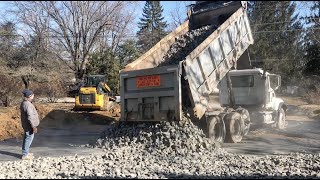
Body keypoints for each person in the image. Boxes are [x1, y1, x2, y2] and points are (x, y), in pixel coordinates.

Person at [20, 89, 40, 160]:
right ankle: (25, 154)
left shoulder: (25, 103)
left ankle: (26, 152)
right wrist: (33, 126)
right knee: (29, 138)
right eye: (32, 95)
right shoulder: (28, 104)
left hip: (26, 124)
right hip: (29, 125)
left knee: (27, 138)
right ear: (29, 96)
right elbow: (30, 116)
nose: (33, 96)